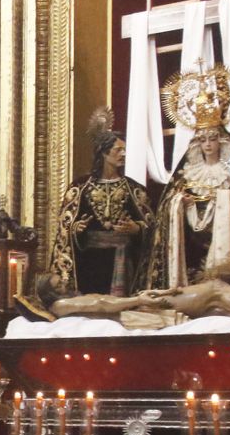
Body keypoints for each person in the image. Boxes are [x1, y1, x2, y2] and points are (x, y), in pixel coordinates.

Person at [149, 66, 230, 306]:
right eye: (202, 139)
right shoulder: (185, 174)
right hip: (191, 246)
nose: (208, 144)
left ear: (221, 141)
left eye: (212, 138)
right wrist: (178, 204)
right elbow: (166, 210)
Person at [50, 108, 154, 296]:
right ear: (104, 153)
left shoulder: (134, 189)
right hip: (90, 265)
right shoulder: (80, 187)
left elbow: (153, 227)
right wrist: (76, 229)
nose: (123, 154)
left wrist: (137, 228)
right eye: (118, 150)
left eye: (125, 150)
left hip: (124, 262)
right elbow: (64, 228)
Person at [45, 277, 230, 327]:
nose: (66, 283)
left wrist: (153, 292)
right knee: (215, 289)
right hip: (140, 308)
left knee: (216, 304)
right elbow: (101, 304)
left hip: (141, 303)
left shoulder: (70, 299)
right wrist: (139, 298)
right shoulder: (60, 306)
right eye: (59, 285)